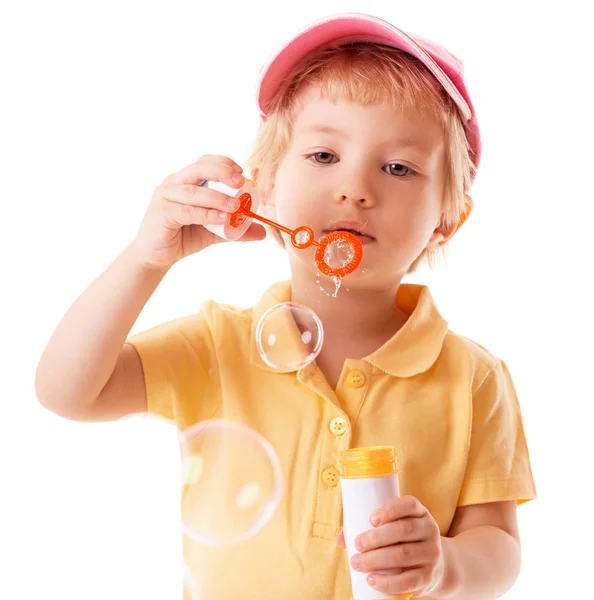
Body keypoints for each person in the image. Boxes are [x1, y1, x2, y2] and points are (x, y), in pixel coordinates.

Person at [34, 12, 536, 600]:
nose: (355, 187)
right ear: (264, 188)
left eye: (397, 167)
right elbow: (67, 392)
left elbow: (499, 547)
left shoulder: (473, 378)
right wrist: (147, 259)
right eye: (324, 156)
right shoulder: (220, 345)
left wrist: (444, 567)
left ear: (445, 222)